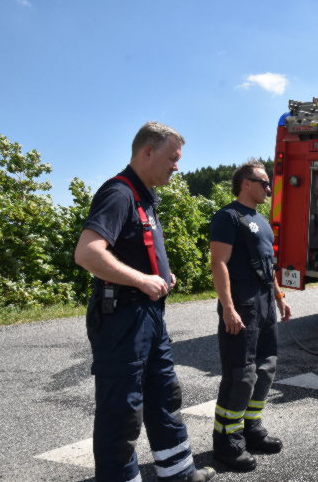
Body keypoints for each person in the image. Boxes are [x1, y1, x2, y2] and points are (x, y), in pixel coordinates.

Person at [74, 122, 215, 482]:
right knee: (122, 411)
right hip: (123, 317)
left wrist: (159, 277)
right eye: (172, 158)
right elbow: (87, 254)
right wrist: (142, 280)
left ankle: (179, 472)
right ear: (147, 152)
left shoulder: (145, 197)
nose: (176, 167)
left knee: (164, 395)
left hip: (147, 314)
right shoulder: (119, 194)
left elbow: (135, 252)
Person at [209, 160, 292, 471]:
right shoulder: (228, 217)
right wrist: (228, 307)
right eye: (263, 182)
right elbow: (219, 264)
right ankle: (226, 444)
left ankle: (251, 429)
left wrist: (279, 297)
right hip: (241, 304)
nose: (269, 188)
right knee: (240, 374)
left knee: (266, 367)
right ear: (246, 182)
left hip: (264, 303)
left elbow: (267, 265)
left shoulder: (262, 220)